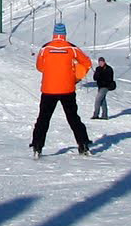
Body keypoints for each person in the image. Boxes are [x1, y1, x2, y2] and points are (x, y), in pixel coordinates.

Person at [31, 22, 93, 157]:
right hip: (67, 89)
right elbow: (87, 62)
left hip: (48, 89)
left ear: (54, 34)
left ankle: (37, 146)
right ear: (64, 35)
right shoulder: (71, 48)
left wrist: (51, 71)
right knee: (73, 118)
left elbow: (39, 67)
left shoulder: (45, 49)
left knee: (43, 119)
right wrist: (76, 75)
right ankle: (83, 144)